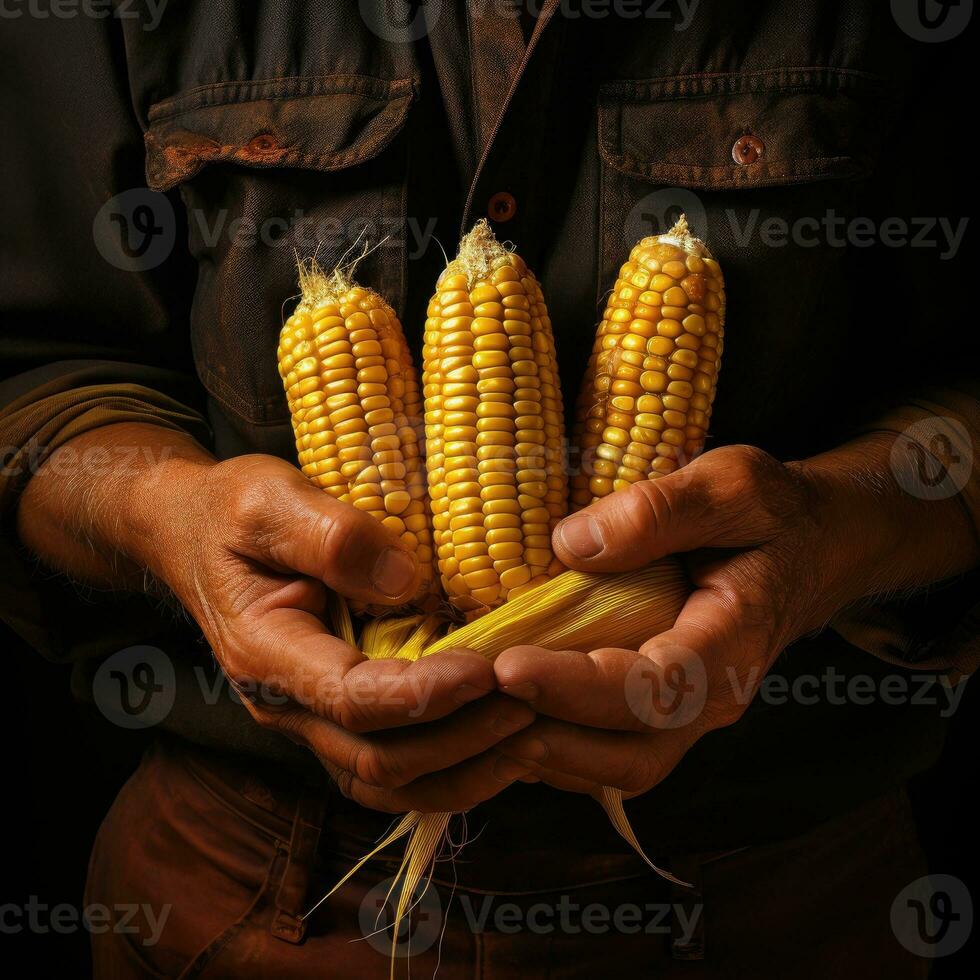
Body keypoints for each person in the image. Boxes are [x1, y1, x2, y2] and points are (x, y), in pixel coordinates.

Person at [1, 2, 976, 977]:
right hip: (257, 886)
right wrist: (169, 515)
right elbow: (34, 377)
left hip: (774, 892)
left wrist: (832, 530)